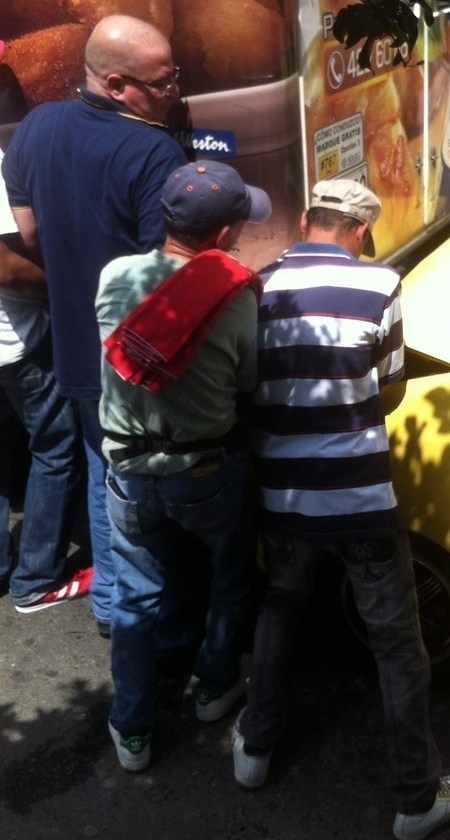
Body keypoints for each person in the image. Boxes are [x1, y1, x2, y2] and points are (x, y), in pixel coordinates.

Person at [234, 179, 450, 840]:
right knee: (397, 643)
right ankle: (415, 800)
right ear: (361, 232)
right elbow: (390, 390)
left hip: (284, 496)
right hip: (361, 500)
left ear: (303, 220)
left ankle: (255, 750)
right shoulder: (380, 284)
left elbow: (249, 385)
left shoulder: (258, 285)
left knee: (280, 608)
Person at [1, 14, 189, 637]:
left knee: (100, 471)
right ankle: (145, 614)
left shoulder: (36, 127)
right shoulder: (155, 151)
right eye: (162, 83)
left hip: (74, 346)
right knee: (142, 488)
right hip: (136, 353)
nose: (174, 94)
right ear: (115, 84)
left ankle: (111, 603)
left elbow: (28, 232)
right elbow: (162, 271)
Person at [96, 160, 271, 772]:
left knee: (136, 598)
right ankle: (214, 687)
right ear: (223, 234)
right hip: (203, 472)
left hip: (127, 471)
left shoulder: (115, 274)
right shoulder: (236, 295)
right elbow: (246, 381)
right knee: (230, 576)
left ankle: (132, 728)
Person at [0, 149, 84, 612]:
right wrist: (63, 290)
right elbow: (5, 267)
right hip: (15, 341)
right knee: (54, 448)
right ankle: (35, 579)